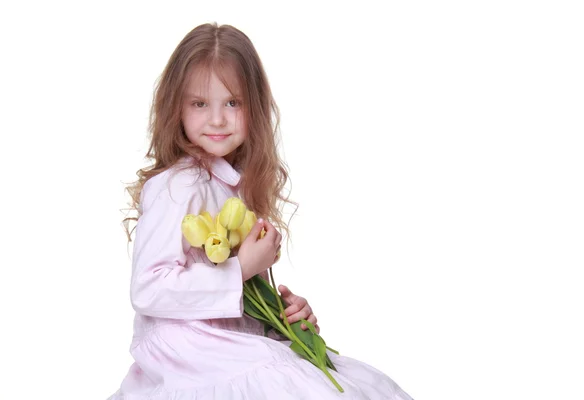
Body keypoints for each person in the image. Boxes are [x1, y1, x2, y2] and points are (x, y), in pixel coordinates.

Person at [109, 22, 413, 400]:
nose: (217, 119)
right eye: (199, 103)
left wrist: (278, 319)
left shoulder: (235, 185)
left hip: (226, 342)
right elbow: (149, 289)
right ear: (176, 108)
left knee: (338, 383)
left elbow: (230, 300)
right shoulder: (178, 185)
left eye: (232, 103)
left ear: (255, 106)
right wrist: (241, 270)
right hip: (188, 353)